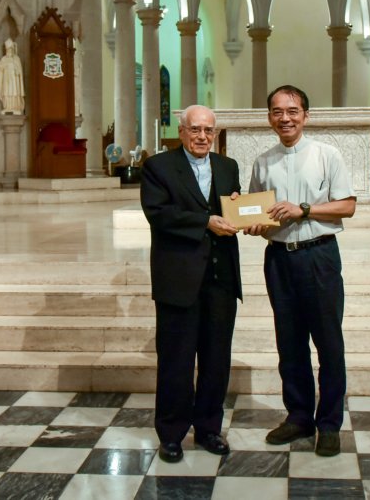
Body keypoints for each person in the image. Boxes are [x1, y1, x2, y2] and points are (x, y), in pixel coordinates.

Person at [244, 85, 356, 457]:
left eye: (292, 111)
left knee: (328, 343)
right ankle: (298, 417)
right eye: (277, 112)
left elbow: (347, 206)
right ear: (269, 118)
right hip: (279, 259)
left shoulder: (327, 155)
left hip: (319, 255)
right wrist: (252, 223)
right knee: (289, 343)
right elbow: (258, 212)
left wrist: (304, 209)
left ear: (306, 115)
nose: (285, 118)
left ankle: (329, 424)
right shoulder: (263, 162)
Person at [140, 105, 242, 464]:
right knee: (176, 361)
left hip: (220, 279)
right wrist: (205, 221)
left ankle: (209, 429)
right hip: (178, 279)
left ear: (215, 134)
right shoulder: (158, 167)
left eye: (208, 130)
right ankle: (171, 434)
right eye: (195, 129)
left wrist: (244, 213)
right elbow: (159, 213)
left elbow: (233, 207)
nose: (202, 137)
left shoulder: (228, 167)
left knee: (216, 360)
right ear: (181, 132)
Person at [0, 39, 25, 114]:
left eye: (10, 49)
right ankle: (7, 107)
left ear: (13, 49)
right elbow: (1, 68)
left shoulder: (16, 59)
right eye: (8, 49)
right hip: (6, 79)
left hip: (14, 80)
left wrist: (16, 70)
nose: (9, 51)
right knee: (7, 92)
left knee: (14, 92)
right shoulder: (4, 59)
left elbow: (19, 70)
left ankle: (15, 107)